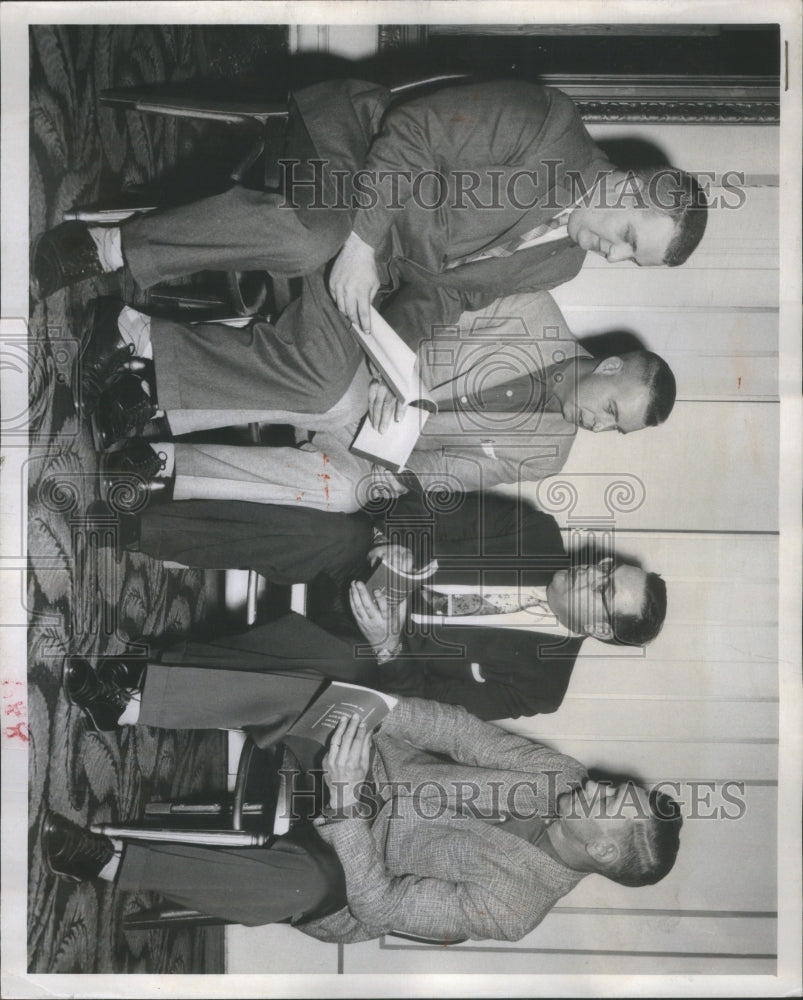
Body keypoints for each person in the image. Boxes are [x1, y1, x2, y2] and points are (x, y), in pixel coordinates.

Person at [33, 78, 708, 347]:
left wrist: (398, 358)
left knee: (336, 383)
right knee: (313, 238)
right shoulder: (548, 125)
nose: (611, 257)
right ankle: (112, 248)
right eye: (626, 239)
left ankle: (141, 342)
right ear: (624, 189)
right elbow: (410, 132)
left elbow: (443, 297)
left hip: (373, 250)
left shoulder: (561, 263)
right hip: (351, 150)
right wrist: (359, 245)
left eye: (629, 258)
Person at [42, 700, 683, 942]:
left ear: (602, 855)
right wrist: (381, 710)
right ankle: (131, 698)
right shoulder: (561, 774)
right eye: (615, 788)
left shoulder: (517, 910)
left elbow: (379, 906)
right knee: (317, 665)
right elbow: (457, 730)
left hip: (348, 872)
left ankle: (108, 861)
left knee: (294, 888)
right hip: (371, 764)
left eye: (609, 804)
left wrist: (346, 812)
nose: (597, 787)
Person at [63, 496, 667, 722]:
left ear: (603, 633)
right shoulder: (535, 534)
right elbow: (427, 508)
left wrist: (388, 647)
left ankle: (137, 693)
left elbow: (428, 704)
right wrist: (400, 544)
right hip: (367, 565)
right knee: (334, 537)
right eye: (609, 568)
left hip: (376, 652)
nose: (594, 571)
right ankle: (136, 528)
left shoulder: (541, 685)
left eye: (604, 592)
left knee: (342, 674)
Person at [83, 288, 676, 514]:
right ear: (610, 366)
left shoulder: (548, 455)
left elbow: (453, 474)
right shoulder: (532, 311)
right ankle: (155, 386)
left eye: (613, 430)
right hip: (365, 358)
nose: (598, 425)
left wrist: (394, 469)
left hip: (382, 447)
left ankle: (169, 465)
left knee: (345, 493)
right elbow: (423, 304)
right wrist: (396, 387)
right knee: (338, 402)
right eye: (611, 410)